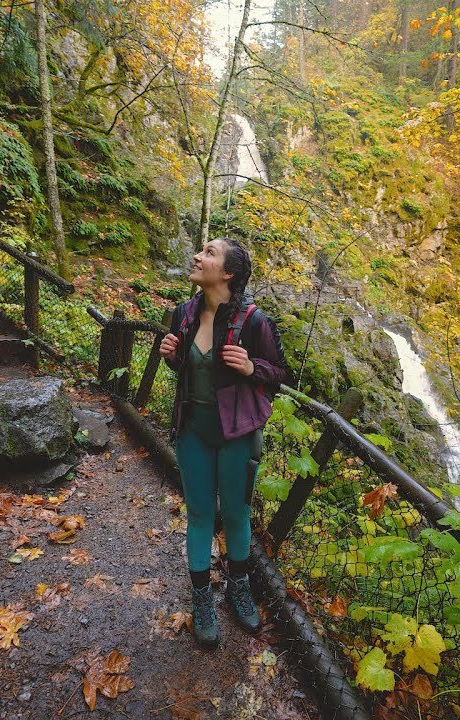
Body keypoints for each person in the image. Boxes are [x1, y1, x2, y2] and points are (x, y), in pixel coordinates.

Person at [158, 237, 289, 649]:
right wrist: (170, 357)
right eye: (200, 250)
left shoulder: (254, 321)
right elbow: (188, 368)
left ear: (228, 273)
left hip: (238, 433)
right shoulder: (183, 313)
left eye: (209, 253)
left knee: (235, 513)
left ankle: (239, 587)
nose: (197, 256)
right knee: (199, 513)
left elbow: (280, 373)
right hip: (193, 429)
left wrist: (253, 366)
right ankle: (202, 599)